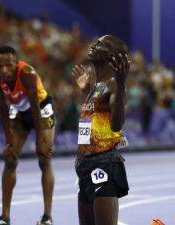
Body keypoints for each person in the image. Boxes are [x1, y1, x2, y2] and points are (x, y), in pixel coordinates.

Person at [0, 46, 55, 225]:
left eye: (8, 65)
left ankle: (47, 217)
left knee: (44, 158)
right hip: (18, 109)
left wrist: (40, 141)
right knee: (10, 160)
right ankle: (4, 217)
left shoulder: (26, 74)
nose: (4, 70)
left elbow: (34, 108)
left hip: (40, 109)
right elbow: (2, 108)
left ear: (16, 64)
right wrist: (9, 141)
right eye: (0, 66)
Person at [72, 35, 130, 225]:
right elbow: (93, 124)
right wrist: (84, 93)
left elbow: (116, 125)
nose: (94, 44)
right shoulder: (95, 87)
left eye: (101, 44)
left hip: (103, 164)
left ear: (112, 56)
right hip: (84, 165)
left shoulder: (114, 85)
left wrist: (121, 86)